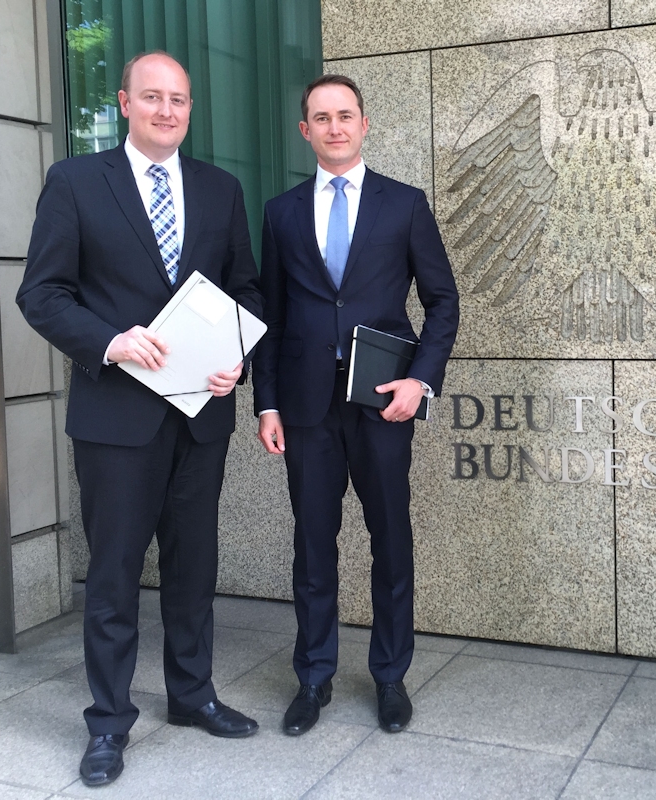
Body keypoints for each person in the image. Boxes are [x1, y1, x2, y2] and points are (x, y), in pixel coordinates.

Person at [17, 51, 262, 787]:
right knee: (115, 576)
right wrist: (110, 342)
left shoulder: (220, 189)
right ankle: (108, 722)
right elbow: (42, 293)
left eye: (178, 99)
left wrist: (237, 357)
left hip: (200, 416)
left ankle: (191, 695)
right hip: (115, 420)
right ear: (124, 103)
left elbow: (245, 289)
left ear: (189, 108)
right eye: (152, 97)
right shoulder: (74, 182)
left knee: (194, 568)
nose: (166, 110)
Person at [253, 74, 459, 736]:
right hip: (306, 407)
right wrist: (266, 404)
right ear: (305, 130)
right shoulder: (281, 213)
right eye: (322, 117)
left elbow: (443, 301)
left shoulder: (405, 205)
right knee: (313, 545)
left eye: (345, 115)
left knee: (390, 540)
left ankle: (390, 676)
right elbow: (272, 317)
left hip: (382, 403)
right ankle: (313, 676)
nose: (335, 126)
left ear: (364, 124)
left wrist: (420, 381)